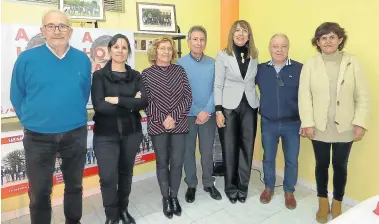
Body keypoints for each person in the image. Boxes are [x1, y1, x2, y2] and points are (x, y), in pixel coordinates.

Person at [10, 10, 91, 224]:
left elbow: (83, 93)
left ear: (70, 31)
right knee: (39, 193)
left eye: (62, 26)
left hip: (75, 133)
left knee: (74, 186)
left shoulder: (82, 60)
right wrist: (32, 120)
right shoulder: (27, 59)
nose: (57, 31)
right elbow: (16, 95)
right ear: (42, 31)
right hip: (37, 137)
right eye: (51, 26)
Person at [298, 22, 370, 223]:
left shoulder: (352, 62)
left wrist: (360, 123)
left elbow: (362, 96)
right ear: (318, 42)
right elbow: (304, 97)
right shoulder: (310, 64)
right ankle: (322, 201)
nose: (327, 41)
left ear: (340, 40)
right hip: (319, 126)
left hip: (345, 126)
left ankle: (337, 202)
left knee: (340, 165)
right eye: (323, 38)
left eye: (332, 37)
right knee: (321, 164)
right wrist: (308, 123)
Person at [91, 34, 148, 224]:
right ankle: (111, 216)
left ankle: (123, 209)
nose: (120, 51)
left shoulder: (136, 75)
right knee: (107, 177)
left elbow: (144, 101)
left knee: (126, 173)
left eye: (124, 48)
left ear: (128, 52)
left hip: (131, 132)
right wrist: (131, 103)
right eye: (116, 47)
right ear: (110, 50)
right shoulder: (99, 76)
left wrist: (116, 100)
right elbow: (100, 106)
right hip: (105, 135)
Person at [141, 37, 192, 219]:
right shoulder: (146, 74)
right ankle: (165, 198)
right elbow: (146, 101)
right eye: (162, 48)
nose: (166, 52)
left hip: (179, 124)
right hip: (157, 124)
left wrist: (174, 117)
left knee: (177, 163)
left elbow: (187, 97)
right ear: (155, 51)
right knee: (162, 162)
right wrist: (164, 118)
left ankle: (174, 196)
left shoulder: (180, 71)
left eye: (169, 49)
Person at [256, 33, 303, 209]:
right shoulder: (260, 69)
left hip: (293, 123)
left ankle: (289, 191)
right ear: (270, 48)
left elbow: (306, 97)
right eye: (275, 46)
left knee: (292, 160)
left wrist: (306, 122)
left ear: (288, 48)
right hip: (268, 122)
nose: (279, 50)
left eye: (283, 46)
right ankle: (268, 187)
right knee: (268, 158)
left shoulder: (299, 69)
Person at [214, 20, 259, 204]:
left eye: (245, 31)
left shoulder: (255, 55)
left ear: (249, 35)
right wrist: (218, 110)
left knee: (247, 148)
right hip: (228, 107)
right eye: (237, 31)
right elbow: (217, 84)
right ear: (232, 34)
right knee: (230, 148)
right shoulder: (223, 55)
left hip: (249, 106)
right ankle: (231, 187)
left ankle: (243, 187)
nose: (241, 34)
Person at [177, 25, 221, 203]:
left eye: (202, 39)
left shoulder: (213, 63)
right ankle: (191, 184)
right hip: (187, 115)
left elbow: (217, 89)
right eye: (195, 39)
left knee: (207, 151)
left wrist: (207, 110)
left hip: (208, 115)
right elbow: (181, 92)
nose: (198, 42)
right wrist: (196, 111)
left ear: (205, 42)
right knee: (188, 151)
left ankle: (209, 183)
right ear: (188, 42)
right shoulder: (180, 64)